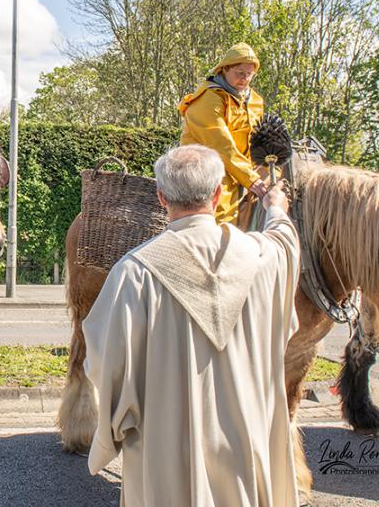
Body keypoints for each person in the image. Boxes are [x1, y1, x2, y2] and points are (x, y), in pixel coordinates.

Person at [83, 145, 300, 507]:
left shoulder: (134, 274)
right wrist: (275, 208)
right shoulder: (261, 258)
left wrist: (112, 434)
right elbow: (285, 243)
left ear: (161, 196)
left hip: (164, 462)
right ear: (217, 194)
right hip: (244, 454)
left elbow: (107, 368)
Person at [178, 42, 266, 223]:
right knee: (213, 225)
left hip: (239, 176)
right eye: (240, 73)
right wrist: (250, 178)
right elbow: (220, 144)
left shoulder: (255, 101)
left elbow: (259, 140)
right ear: (224, 70)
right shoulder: (208, 99)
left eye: (249, 74)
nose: (245, 79)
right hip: (205, 176)